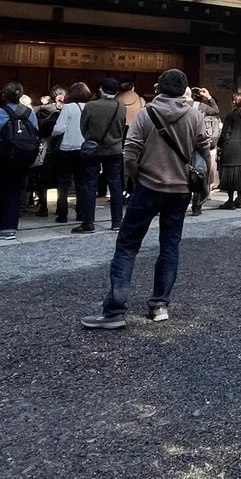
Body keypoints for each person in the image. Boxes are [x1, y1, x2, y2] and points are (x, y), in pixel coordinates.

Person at [81, 69, 208, 330]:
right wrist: (205, 185)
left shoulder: (146, 113)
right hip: (180, 190)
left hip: (148, 186)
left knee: (128, 245)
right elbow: (205, 151)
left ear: (158, 88)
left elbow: (129, 152)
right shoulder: (195, 115)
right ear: (184, 89)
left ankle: (115, 311)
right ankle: (159, 304)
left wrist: (135, 177)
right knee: (170, 246)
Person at [0, 81, 39, 240]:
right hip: (21, 158)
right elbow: (35, 134)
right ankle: (10, 227)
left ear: (4, 95)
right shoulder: (29, 113)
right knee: (15, 191)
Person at [80, 78, 128, 230]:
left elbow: (83, 127)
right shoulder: (121, 107)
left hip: (94, 149)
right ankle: (117, 221)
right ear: (116, 91)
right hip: (114, 149)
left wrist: (91, 138)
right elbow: (122, 127)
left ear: (101, 89)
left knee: (90, 184)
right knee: (115, 185)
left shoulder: (91, 106)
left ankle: (88, 222)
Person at [52, 82, 92, 231]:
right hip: (83, 147)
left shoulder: (68, 107)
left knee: (63, 182)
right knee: (81, 181)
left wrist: (52, 133)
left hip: (67, 147)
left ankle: (62, 213)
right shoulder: (89, 107)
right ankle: (81, 212)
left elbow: (59, 128)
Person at [217, 92, 241, 210]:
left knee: (230, 175)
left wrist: (220, 144)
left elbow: (225, 134)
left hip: (231, 150)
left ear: (233, 102)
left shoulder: (230, 116)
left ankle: (230, 200)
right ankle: (239, 199)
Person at [188, 87, 221, 215]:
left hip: (182, 144)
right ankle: (197, 205)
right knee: (199, 173)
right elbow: (216, 110)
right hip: (198, 145)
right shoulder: (201, 107)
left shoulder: (178, 105)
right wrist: (209, 97)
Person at [34, 86, 65, 218]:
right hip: (61, 147)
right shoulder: (66, 111)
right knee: (61, 179)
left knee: (43, 178)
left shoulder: (42, 111)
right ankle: (60, 207)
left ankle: (43, 207)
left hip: (45, 145)